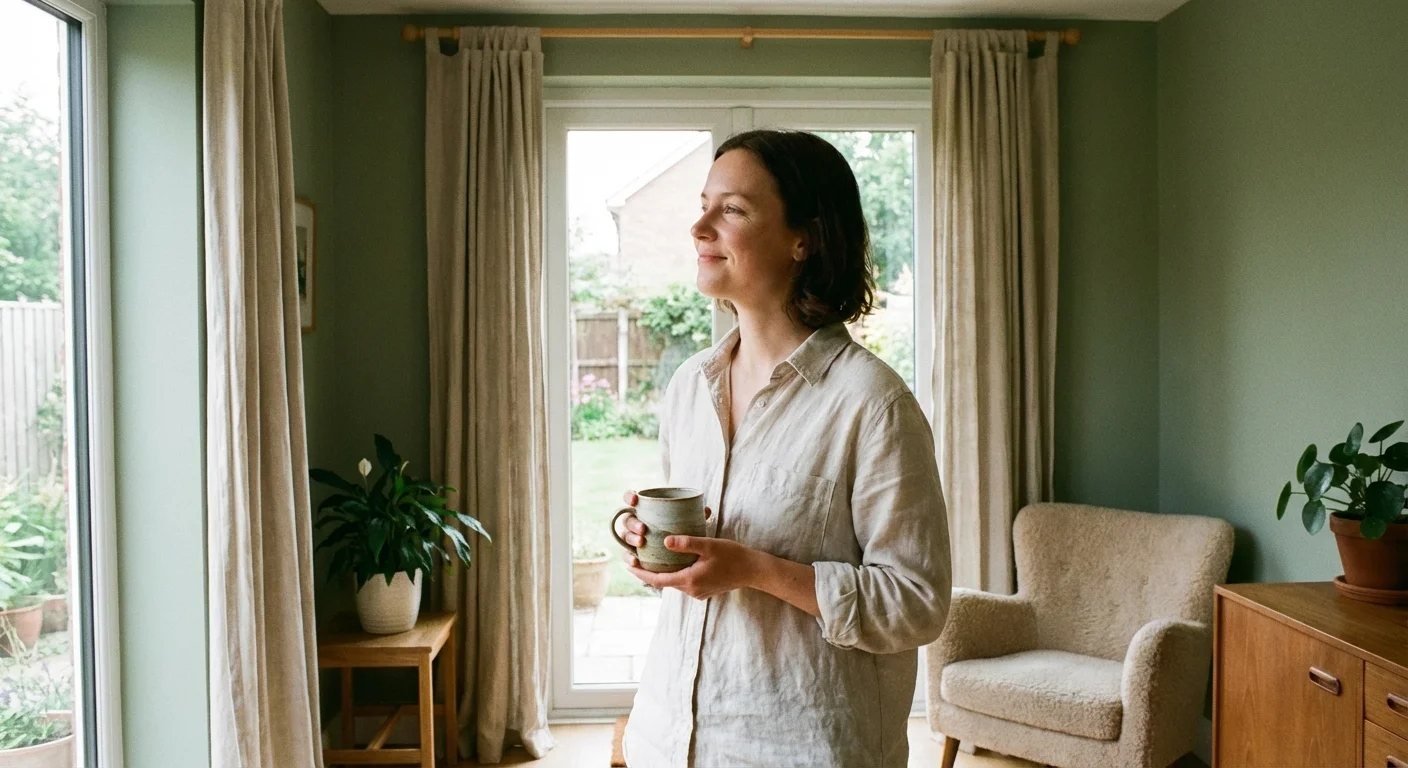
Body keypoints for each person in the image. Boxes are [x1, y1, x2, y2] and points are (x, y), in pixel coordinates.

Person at [614, 129, 952, 767]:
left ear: (807, 238)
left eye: (733, 209)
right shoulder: (690, 386)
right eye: (704, 203)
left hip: (799, 747)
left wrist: (755, 570)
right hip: (667, 738)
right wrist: (657, 545)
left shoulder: (873, 404)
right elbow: (700, 564)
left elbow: (917, 604)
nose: (700, 226)